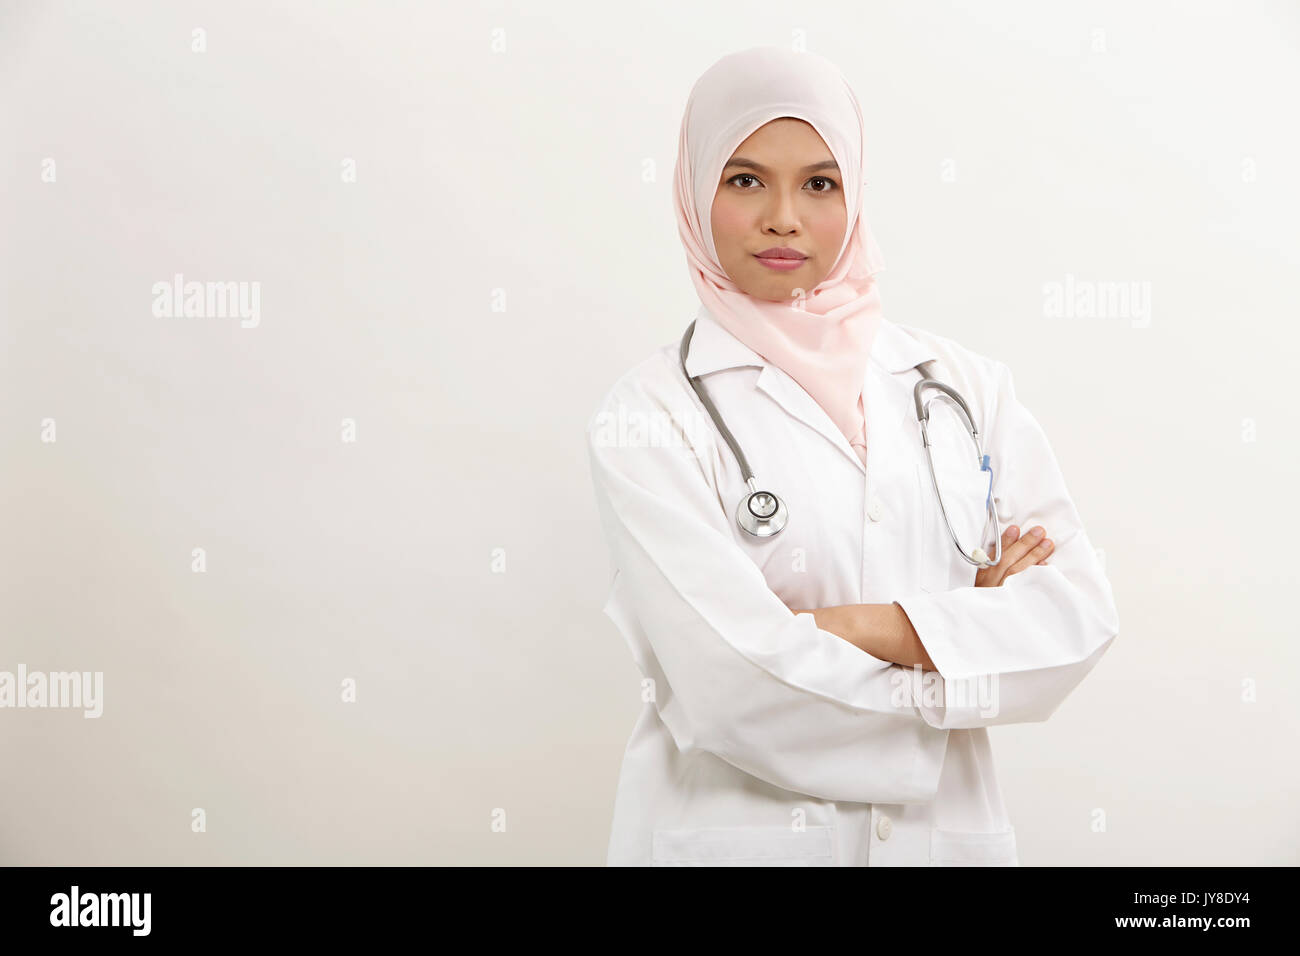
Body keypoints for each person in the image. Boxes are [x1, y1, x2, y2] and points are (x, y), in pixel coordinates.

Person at [584, 46, 1119, 866]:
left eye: (820, 183)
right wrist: (961, 647)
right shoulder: (651, 414)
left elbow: (1077, 620)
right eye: (745, 179)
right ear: (695, 192)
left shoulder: (963, 387)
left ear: (856, 192)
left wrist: (850, 629)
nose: (785, 217)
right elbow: (731, 689)